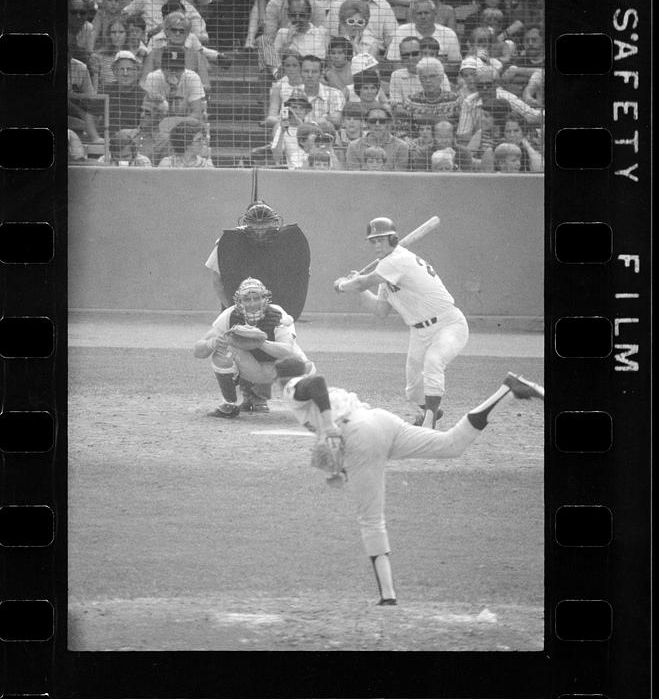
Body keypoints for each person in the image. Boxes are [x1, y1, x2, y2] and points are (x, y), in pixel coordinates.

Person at [272, 355, 544, 606]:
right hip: (380, 422)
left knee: (370, 520)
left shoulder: (291, 387)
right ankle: (507, 391)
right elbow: (327, 414)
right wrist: (341, 468)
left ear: (281, 379)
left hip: (359, 434)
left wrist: (330, 426)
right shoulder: (325, 397)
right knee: (452, 445)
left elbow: (316, 383)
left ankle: (387, 597)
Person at [334, 217, 469, 427]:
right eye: (373, 241)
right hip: (419, 332)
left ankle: (429, 423)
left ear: (393, 239)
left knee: (434, 362)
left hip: (448, 324)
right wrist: (357, 288)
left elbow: (365, 280)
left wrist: (343, 285)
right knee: (414, 390)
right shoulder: (386, 270)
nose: (377, 245)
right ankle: (431, 411)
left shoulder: (397, 259)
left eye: (381, 239)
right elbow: (380, 310)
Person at [194, 277, 311, 417]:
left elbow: (287, 351)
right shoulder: (230, 315)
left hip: (280, 369)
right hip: (251, 368)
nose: (252, 304)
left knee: (305, 365)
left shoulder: (277, 314)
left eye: (257, 298)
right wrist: (212, 343)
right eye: (247, 299)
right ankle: (230, 404)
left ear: (265, 299)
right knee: (222, 353)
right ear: (239, 301)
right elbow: (198, 351)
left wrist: (260, 343)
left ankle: (308, 401)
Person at [204, 202, 311, 319]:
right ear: (246, 223)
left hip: (277, 310)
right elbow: (217, 280)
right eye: (255, 226)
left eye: (265, 226)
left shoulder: (290, 243)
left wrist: (287, 314)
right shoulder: (229, 243)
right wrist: (232, 308)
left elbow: (300, 279)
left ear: (274, 223)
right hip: (238, 309)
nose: (260, 231)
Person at [457, 64, 542, 145]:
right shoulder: (469, 102)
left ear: (496, 84)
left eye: (488, 85)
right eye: (480, 85)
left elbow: (534, 116)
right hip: (480, 144)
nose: (484, 89)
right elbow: (463, 136)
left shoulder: (507, 98)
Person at [386, 0, 461, 72]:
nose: (423, 17)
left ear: (434, 14)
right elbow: (395, 63)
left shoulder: (449, 34)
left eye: (426, 13)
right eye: (419, 13)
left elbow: (455, 65)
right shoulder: (401, 31)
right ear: (413, 15)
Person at [143, 49, 206, 119]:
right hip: (159, 121)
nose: (174, 73)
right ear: (162, 69)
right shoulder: (153, 78)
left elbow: (197, 113)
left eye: (177, 69)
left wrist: (177, 125)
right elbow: (147, 114)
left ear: (183, 69)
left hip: (186, 123)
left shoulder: (193, 78)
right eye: (170, 69)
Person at [345, 106, 410, 170]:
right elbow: (354, 177)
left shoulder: (401, 147)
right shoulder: (353, 146)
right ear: (366, 123)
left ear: (388, 123)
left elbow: (399, 177)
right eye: (373, 120)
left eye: (382, 121)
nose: (377, 124)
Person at [401, 57, 462, 124]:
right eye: (424, 77)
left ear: (441, 77)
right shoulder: (411, 101)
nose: (428, 81)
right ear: (420, 80)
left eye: (432, 76)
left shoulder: (455, 100)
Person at [271, 0, 329, 67]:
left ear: (309, 16)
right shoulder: (282, 33)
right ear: (289, 15)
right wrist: (288, 42)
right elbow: (275, 63)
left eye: (301, 15)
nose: (297, 18)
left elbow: (328, 62)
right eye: (293, 15)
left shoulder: (322, 33)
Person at [105, 51, 146, 135]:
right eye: (121, 69)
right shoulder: (105, 90)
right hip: (105, 141)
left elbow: (146, 127)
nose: (125, 73)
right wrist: (96, 138)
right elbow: (90, 116)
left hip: (131, 143)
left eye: (129, 69)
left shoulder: (144, 96)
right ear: (115, 72)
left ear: (136, 72)